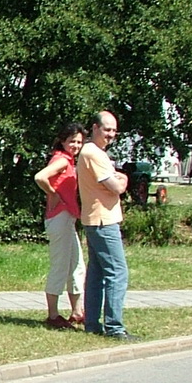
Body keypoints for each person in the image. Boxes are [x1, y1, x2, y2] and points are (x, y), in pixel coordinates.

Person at [77, 110, 133, 339]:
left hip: (96, 218)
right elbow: (116, 187)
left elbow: (114, 181)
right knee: (117, 272)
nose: (111, 135)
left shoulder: (93, 153)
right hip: (103, 221)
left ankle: (92, 323)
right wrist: (123, 179)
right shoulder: (93, 153)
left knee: (97, 273)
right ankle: (114, 327)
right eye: (107, 129)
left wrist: (119, 178)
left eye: (114, 131)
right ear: (95, 128)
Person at [33, 122, 87, 330]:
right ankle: (53, 315)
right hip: (60, 218)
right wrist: (53, 194)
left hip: (68, 218)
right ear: (63, 141)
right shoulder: (62, 160)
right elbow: (40, 176)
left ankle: (76, 311)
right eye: (72, 141)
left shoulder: (69, 161)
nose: (75, 145)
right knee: (61, 266)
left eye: (79, 142)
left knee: (76, 265)